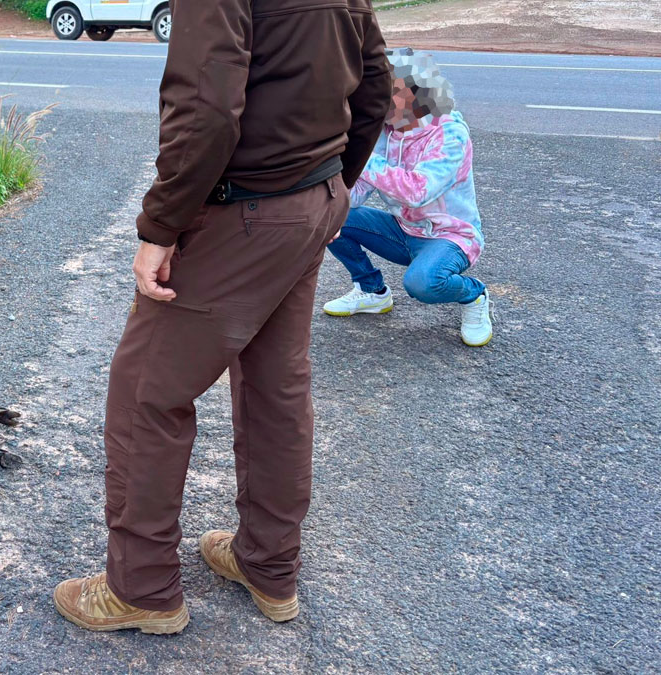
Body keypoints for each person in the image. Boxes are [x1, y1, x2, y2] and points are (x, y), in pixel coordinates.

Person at [53, 0, 391, 634]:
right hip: (311, 197)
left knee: (146, 393)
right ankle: (270, 565)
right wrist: (331, 185)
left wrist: (162, 226)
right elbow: (374, 80)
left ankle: (141, 588)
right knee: (276, 387)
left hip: (250, 209)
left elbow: (207, 108)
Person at [323, 48, 491, 346]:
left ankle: (474, 295)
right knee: (326, 215)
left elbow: (417, 192)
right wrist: (329, 195)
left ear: (414, 91)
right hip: (404, 231)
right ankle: (372, 291)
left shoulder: (450, 133)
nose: (374, 101)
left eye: (384, 92)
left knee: (422, 283)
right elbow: (358, 192)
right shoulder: (385, 132)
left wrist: (360, 156)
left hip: (450, 237)